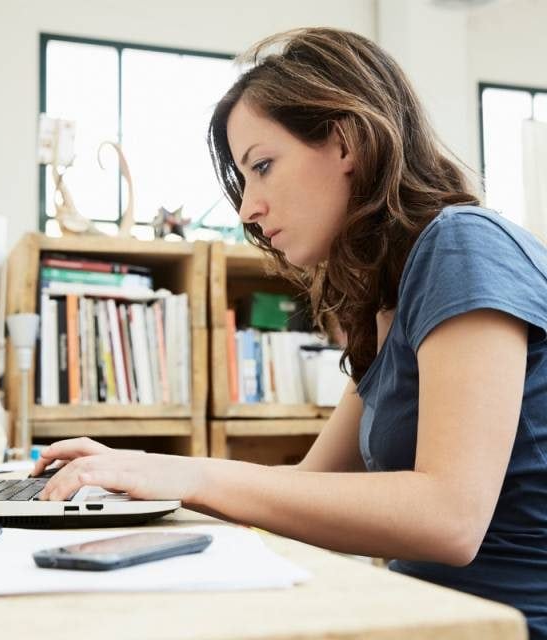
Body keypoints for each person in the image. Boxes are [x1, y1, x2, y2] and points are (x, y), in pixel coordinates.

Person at [32, 28, 547, 637]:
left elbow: (450, 518)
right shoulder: (387, 299)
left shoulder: (463, 243)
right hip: (429, 617)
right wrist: (142, 471)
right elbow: (310, 485)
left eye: (264, 167)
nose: (248, 207)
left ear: (346, 140)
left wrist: (188, 475)